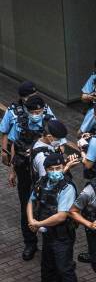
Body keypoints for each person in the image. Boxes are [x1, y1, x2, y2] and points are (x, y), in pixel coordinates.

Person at [26, 153, 79, 282]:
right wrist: (31, 220)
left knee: (65, 269)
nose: (56, 171)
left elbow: (61, 216)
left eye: (59, 168)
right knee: (54, 267)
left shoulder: (67, 187)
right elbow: (30, 201)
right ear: (46, 170)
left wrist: (37, 224)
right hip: (47, 233)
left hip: (62, 236)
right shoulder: (42, 182)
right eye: (52, 169)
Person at [8, 94, 55, 260]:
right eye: (33, 111)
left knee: (48, 205)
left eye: (39, 111)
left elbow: (59, 144)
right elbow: (14, 143)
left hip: (44, 169)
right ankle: (30, 243)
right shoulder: (20, 122)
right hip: (24, 170)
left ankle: (50, 243)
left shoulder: (50, 121)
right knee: (25, 205)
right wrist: (12, 170)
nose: (36, 113)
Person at [1, 81, 55, 166]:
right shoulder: (13, 110)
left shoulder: (43, 107)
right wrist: (4, 152)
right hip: (20, 150)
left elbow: (54, 126)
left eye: (35, 94)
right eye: (30, 96)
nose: (34, 98)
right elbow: (5, 131)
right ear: (22, 97)